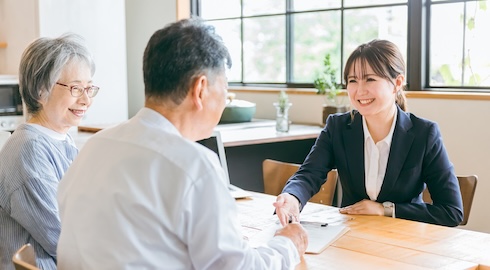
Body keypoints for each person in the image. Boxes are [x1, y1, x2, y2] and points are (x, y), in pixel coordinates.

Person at [57, 17, 307, 269]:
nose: (224, 98)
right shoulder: (193, 165)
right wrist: (287, 244)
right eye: (225, 87)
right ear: (200, 89)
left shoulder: (93, 147)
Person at [274, 39, 463, 227]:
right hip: (350, 236)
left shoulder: (424, 134)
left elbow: (451, 211)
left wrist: (385, 209)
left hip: (404, 241)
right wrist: (292, 197)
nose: (360, 90)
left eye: (370, 79)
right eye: (353, 80)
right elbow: (309, 174)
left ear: (397, 83)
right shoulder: (337, 127)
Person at [0, 33, 98, 270]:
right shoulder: (29, 150)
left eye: (89, 88)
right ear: (41, 91)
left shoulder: (62, 140)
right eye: (76, 88)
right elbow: (64, 240)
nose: (86, 100)